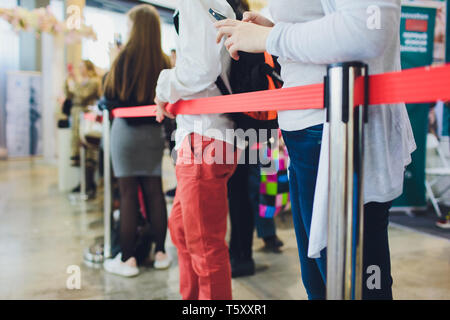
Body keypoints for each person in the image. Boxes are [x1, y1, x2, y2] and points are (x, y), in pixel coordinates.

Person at [216, 0, 416, 300]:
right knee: (322, 284)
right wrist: (277, 34)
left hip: (334, 130)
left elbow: (369, 29)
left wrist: (272, 38)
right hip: (310, 132)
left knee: (352, 285)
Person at [155, 0, 245, 300]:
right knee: (182, 230)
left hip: (203, 138)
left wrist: (162, 87)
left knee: (204, 245)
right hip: (208, 137)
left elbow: (200, 70)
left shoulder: (199, 2)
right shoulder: (214, 4)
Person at [102, 4, 171, 277]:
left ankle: (128, 259)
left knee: (128, 193)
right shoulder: (164, 61)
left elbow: (108, 97)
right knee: (155, 191)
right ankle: (162, 253)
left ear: (134, 28)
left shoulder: (121, 60)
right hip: (154, 132)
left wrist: (111, 61)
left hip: (126, 135)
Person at [66, 59, 101, 198]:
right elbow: (71, 95)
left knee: (88, 151)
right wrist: (68, 81)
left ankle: (89, 184)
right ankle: (83, 183)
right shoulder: (81, 83)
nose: (80, 69)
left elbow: (82, 95)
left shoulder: (93, 82)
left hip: (86, 119)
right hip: (76, 118)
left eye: (82, 66)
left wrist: (73, 84)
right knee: (79, 151)